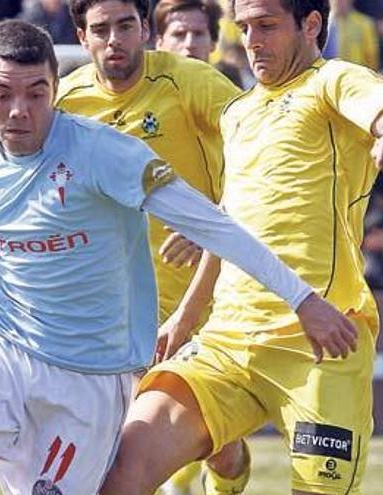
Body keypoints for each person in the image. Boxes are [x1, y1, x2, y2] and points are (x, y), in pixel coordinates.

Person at [0, 19, 353, 495]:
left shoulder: (106, 154)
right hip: (1, 353)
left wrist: (302, 298)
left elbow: (214, 225)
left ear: (56, 88)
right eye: (3, 93)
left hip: (92, 378)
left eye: (35, 93)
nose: (19, 111)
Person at [99, 1, 383, 495]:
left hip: (320, 338)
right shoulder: (239, 114)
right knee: (121, 470)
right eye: (245, 27)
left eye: (267, 26)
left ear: (311, 25)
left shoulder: (333, 81)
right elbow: (230, 229)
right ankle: (230, 472)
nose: (251, 40)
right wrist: (185, 320)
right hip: (227, 340)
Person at [58, 2, 249, 492]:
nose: (115, 40)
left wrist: (210, 220)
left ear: (145, 29)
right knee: (121, 451)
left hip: (200, 301)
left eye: (126, 26)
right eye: (101, 30)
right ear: (83, 37)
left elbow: (260, 148)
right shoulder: (67, 100)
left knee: (221, 452)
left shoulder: (189, 82)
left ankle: (225, 472)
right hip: (111, 307)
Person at [153, 0, 223, 63]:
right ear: (160, 43)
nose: (189, 44)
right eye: (179, 34)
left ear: (213, 43)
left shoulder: (224, 77)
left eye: (198, 34)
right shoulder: (144, 77)